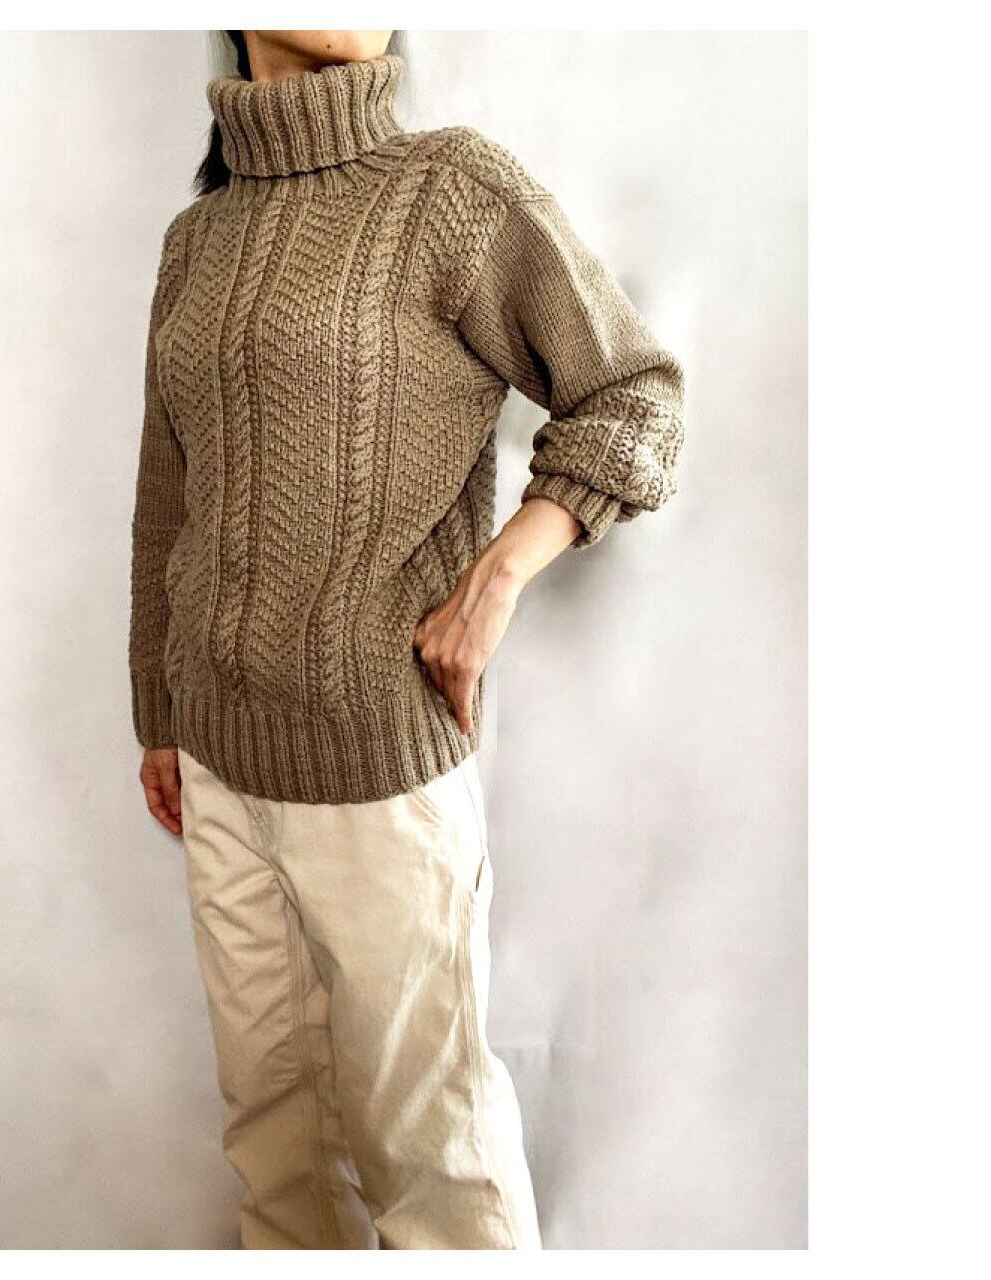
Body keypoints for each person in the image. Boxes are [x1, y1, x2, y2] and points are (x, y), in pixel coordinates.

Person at [129, 29, 684, 1250]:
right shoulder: (195, 242)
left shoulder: (451, 191)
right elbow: (169, 495)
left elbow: (632, 391)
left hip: (375, 764)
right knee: (274, 1146)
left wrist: (500, 571)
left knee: (431, 1159)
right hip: (216, 763)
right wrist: (158, 715)